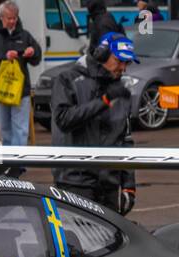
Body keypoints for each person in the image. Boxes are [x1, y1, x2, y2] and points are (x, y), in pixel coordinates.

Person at [50, 32, 136, 213]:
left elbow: (125, 139)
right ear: (102, 55)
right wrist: (103, 102)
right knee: (78, 239)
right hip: (75, 181)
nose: (123, 68)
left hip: (109, 184)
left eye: (127, 63)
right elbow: (64, 120)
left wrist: (128, 185)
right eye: (119, 61)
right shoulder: (68, 79)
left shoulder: (120, 89)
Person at [0, 2, 42, 146]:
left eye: (15, 18)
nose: (12, 21)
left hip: (21, 91)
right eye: (9, 18)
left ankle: (18, 165)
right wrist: (4, 57)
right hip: (1, 90)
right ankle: (9, 162)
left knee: (21, 129)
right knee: (4, 129)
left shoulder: (25, 35)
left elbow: (37, 59)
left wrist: (33, 53)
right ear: (1, 17)